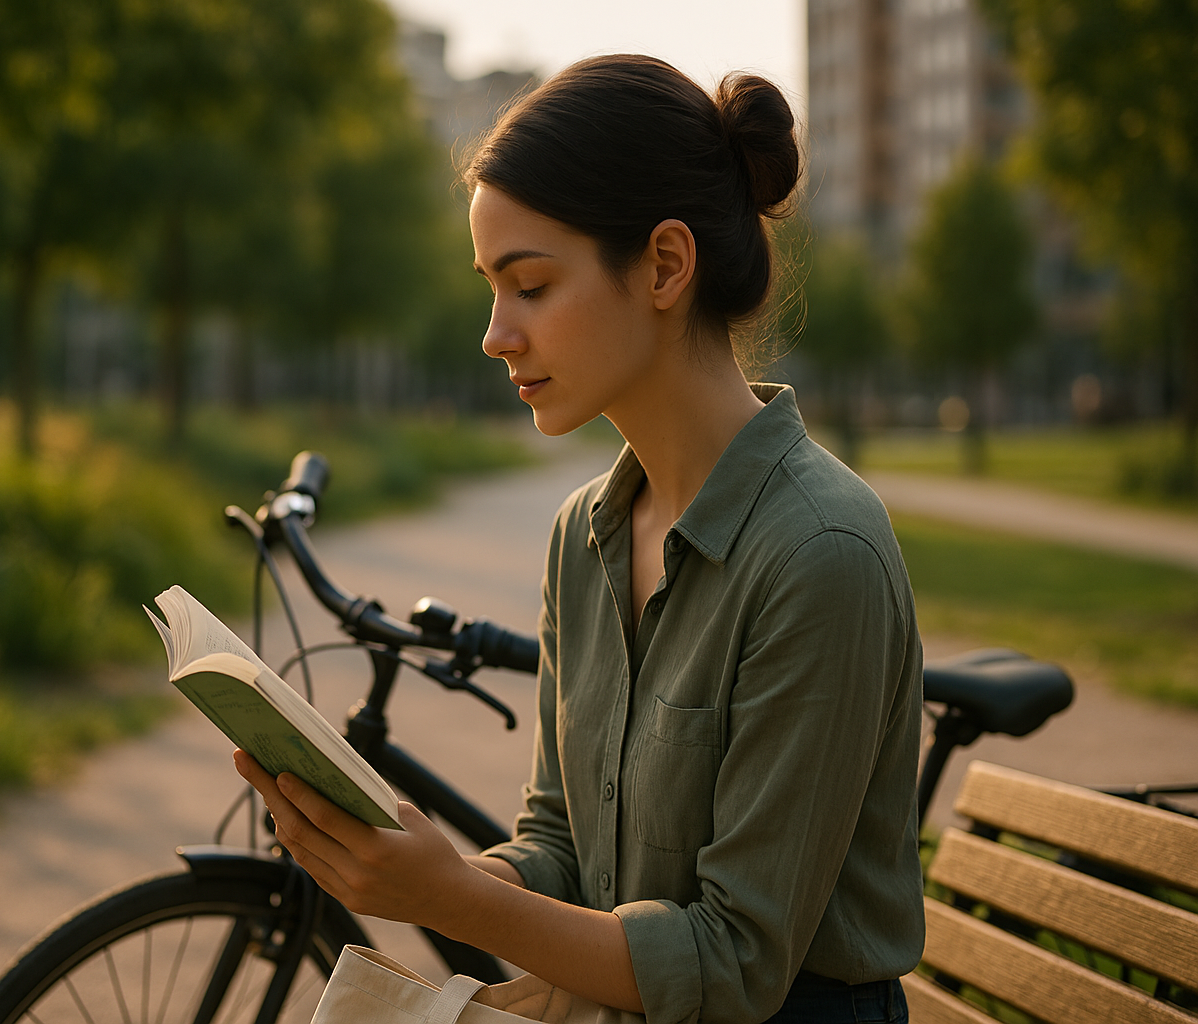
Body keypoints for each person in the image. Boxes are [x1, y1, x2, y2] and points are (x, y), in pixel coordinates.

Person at [236, 54, 924, 1024]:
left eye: (529, 285)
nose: (494, 333)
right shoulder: (585, 534)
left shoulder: (821, 552)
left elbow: (733, 963)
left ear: (665, 266)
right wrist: (414, 867)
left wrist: (453, 897)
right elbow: (562, 841)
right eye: (489, 288)